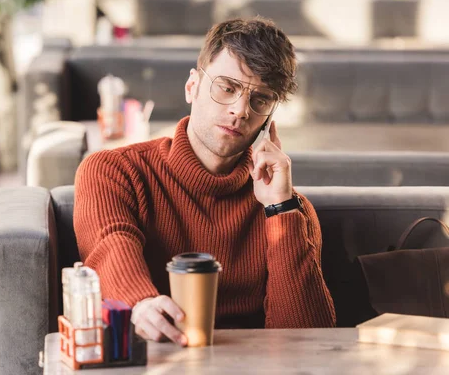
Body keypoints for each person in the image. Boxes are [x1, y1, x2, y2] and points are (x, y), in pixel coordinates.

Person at [74, 18, 336, 347]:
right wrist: (141, 304)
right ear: (192, 87)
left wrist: (280, 209)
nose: (240, 110)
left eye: (260, 100)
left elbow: (308, 342)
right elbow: (111, 247)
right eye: (227, 87)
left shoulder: (289, 209)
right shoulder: (113, 171)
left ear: (270, 119)